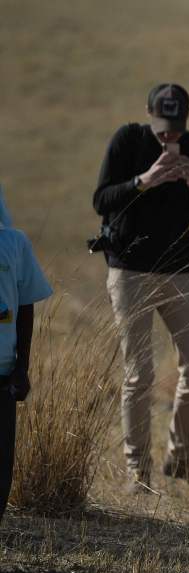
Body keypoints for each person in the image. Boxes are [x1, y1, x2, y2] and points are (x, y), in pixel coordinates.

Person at [92, 83, 189, 495]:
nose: (169, 137)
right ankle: (138, 474)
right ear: (148, 113)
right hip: (129, 272)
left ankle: (181, 459)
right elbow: (101, 200)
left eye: (176, 129)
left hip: (179, 271)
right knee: (140, 375)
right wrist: (142, 182)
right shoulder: (127, 141)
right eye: (163, 128)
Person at [0, 185, 53, 523]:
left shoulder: (13, 244)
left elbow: (25, 304)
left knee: (2, 465)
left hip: (4, 373)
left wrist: (23, 365)